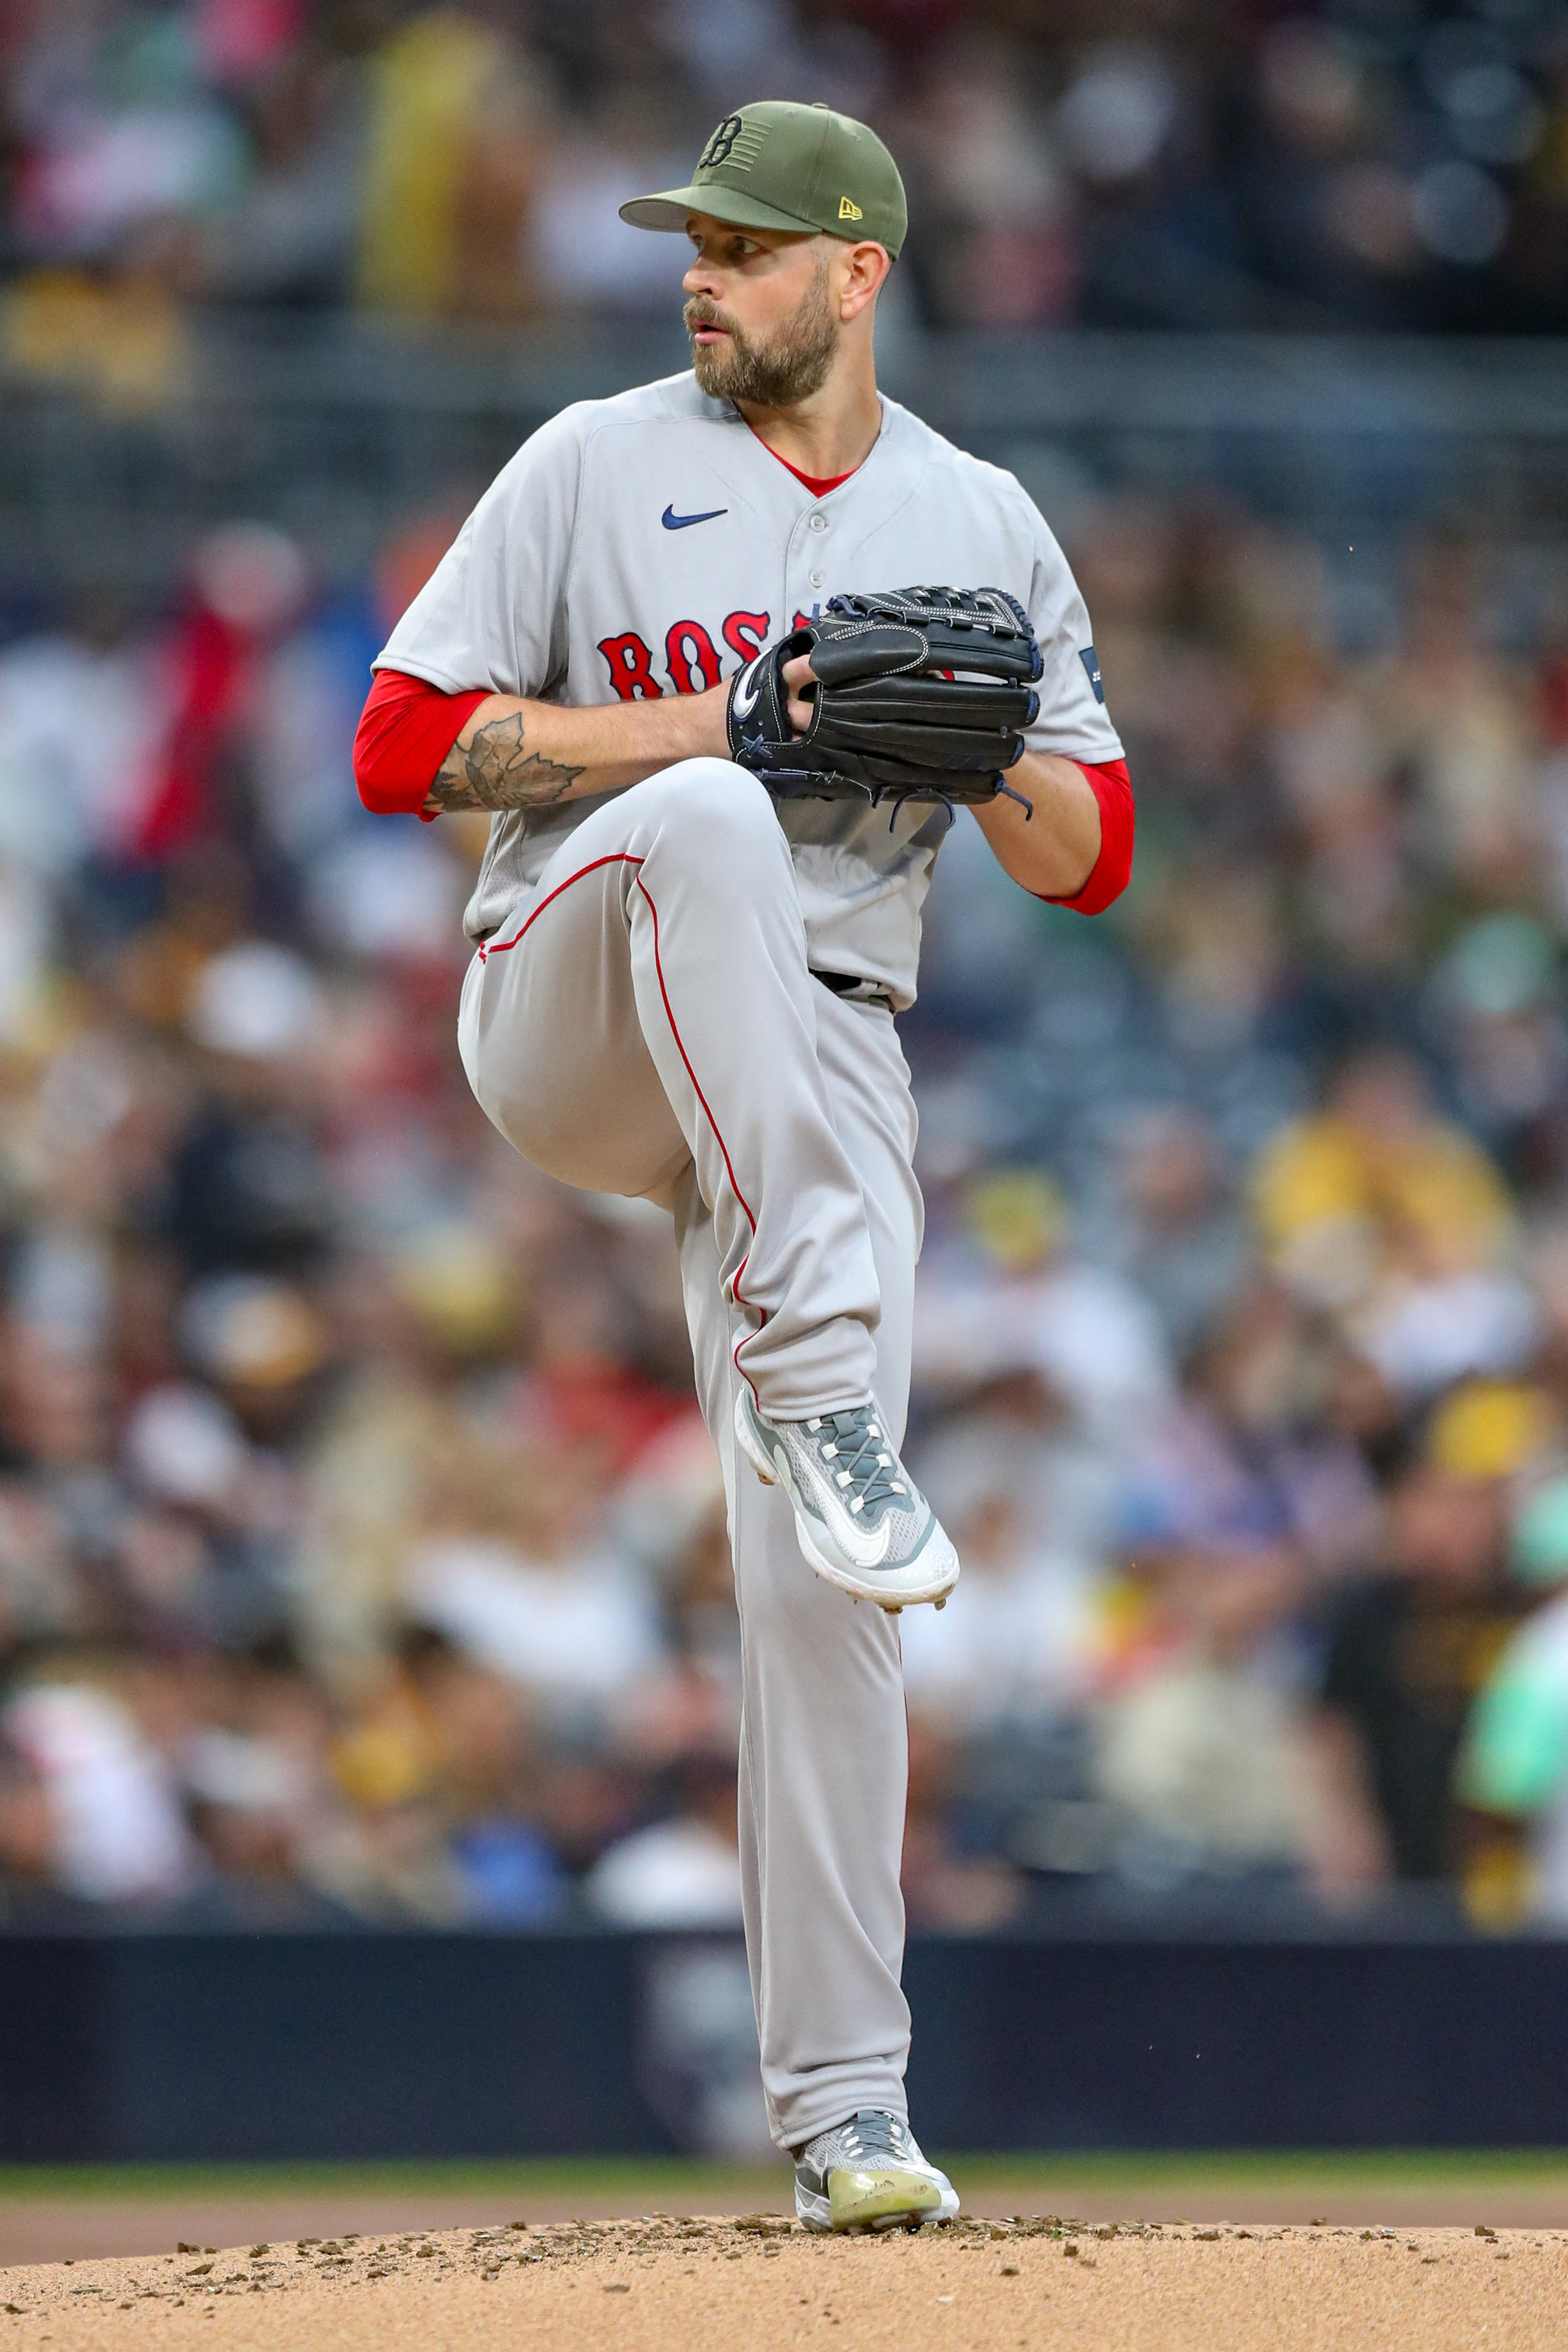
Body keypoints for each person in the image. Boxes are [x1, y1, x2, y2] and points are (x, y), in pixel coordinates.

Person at [353, 99, 1132, 2232]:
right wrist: (719, 733)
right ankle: (813, 1383)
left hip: (822, 1059)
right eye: (692, 241)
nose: (701, 272)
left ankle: (850, 2115)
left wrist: (970, 758)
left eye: (747, 243)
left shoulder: (977, 517)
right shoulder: (595, 461)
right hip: (576, 984)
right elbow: (400, 745)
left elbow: (1091, 858)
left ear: (860, 269)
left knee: (829, 1595)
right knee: (709, 825)